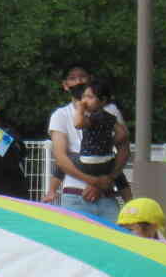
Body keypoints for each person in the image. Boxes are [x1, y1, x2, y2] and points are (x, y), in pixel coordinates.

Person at [45, 78, 128, 222]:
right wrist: (108, 143)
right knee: (119, 175)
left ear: (102, 100)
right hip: (105, 161)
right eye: (84, 96)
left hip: (88, 160)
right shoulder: (109, 117)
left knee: (65, 161)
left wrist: (80, 109)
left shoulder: (93, 116)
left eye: (89, 97)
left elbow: (78, 124)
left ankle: (51, 191)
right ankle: (130, 201)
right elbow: (123, 134)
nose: (84, 100)